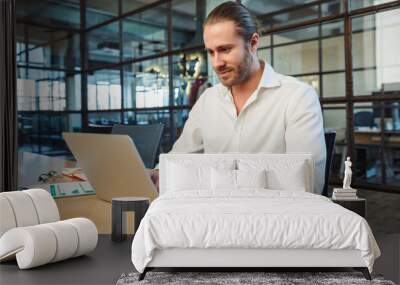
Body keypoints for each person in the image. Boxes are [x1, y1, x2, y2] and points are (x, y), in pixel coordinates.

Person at [150, 1, 326, 194]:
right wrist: (159, 174)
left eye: (225, 49)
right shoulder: (208, 100)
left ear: (253, 43)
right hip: (213, 215)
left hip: (273, 217)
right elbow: (181, 157)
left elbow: (308, 183)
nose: (217, 63)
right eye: (211, 52)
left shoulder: (297, 97)